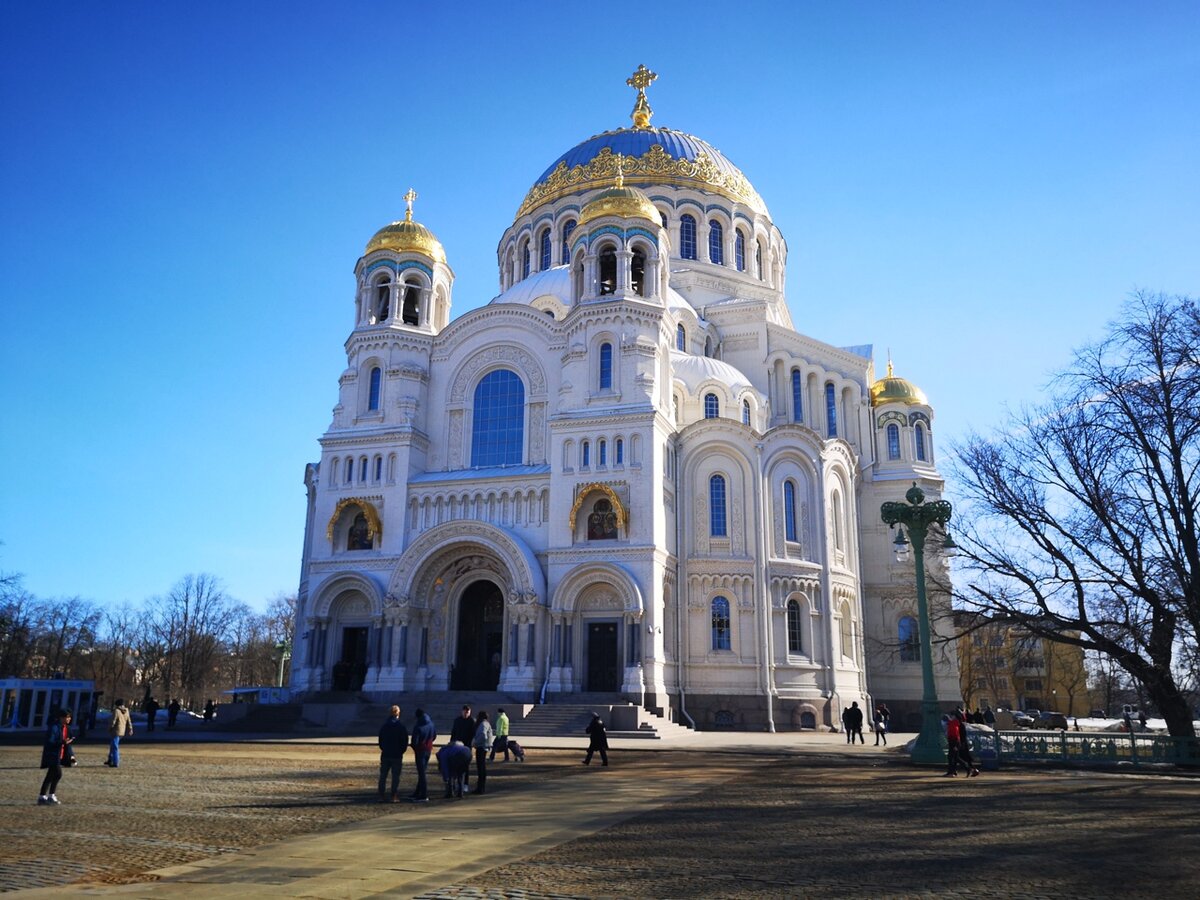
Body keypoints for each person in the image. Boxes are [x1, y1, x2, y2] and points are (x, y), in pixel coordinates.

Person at [38, 709, 74, 805]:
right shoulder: (54, 727)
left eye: (70, 717)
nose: (69, 719)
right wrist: (62, 742)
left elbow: (68, 742)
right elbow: (50, 741)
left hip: (59, 754)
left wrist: (72, 756)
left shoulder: (66, 728)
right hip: (52, 754)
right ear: (61, 718)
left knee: (50, 775)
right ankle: (49, 795)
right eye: (67, 717)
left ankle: (44, 796)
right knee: (58, 774)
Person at [377, 705, 408, 803]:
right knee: (395, 777)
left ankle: (381, 795)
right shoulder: (401, 726)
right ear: (398, 713)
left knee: (383, 776)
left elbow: (380, 740)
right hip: (396, 755)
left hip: (385, 754)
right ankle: (393, 795)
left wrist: (384, 749)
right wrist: (401, 751)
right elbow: (405, 741)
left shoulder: (384, 725)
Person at [409, 708, 436, 802]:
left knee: (422, 773)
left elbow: (414, 742)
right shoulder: (431, 723)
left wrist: (416, 748)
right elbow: (434, 736)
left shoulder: (418, 726)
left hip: (420, 750)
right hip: (428, 748)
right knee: (422, 771)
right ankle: (418, 792)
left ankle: (423, 794)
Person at [450, 705, 476, 792]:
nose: (466, 713)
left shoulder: (472, 721)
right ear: (462, 711)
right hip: (457, 746)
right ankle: (458, 783)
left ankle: (465, 784)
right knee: (456, 765)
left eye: (468, 712)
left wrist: (469, 744)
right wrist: (452, 742)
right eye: (465, 712)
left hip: (467, 747)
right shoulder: (457, 720)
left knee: (465, 766)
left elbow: (473, 734)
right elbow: (453, 732)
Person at [472, 711, 494, 795]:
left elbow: (482, 735)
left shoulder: (483, 724)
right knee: (482, 768)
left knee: (481, 768)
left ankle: (480, 788)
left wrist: (475, 743)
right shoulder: (486, 724)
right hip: (484, 747)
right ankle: (480, 787)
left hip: (481, 747)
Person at [105, 698, 133, 768]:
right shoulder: (126, 711)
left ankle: (115, 762)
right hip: (122, 731)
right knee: (113, 745)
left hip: (116, 731)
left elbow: (113, 721)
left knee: (114, 747)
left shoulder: (116, 711)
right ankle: (110, 759)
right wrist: (130, 729)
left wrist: (109, 728)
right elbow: (129, 721)